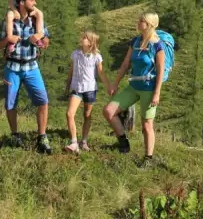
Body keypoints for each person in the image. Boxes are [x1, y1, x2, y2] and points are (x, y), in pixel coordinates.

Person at [0, 0, 53, 154]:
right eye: (32, 0)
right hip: (12, 68)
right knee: (10, 104)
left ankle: (42, 136)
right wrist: (8, 39)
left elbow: (47, 42)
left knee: (43, 101)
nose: (35, 3)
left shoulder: (36, 21)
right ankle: (15, 135)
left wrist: (41, 38)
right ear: (21, 3)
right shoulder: (9, 22)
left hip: (32, 67)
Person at [103, 12, 166, 166]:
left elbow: (160, 70)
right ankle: (123, 143)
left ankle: (148, 158)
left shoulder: (157, 45)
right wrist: (115, 84)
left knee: (146, 125)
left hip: (149, 89)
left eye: (141, 21)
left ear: (149, 24)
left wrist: (157, 93)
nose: (138, 23)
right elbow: (125, 64)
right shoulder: (136, 41)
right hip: (133, 87)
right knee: (109, 111)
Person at [63, 29, 106, 154]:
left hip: (90, 89)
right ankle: (74, 142)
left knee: (87, 115)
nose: (82, 38)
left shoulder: (97, 57)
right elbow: (71, 70)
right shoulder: (75, 54)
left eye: (85, 37)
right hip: (76, 87)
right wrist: (67, 85)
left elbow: (101, 74)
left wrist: (109, 87)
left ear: (91, 42)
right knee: (69, 113)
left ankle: (84, 141)